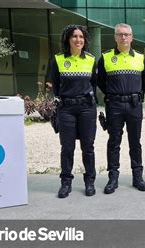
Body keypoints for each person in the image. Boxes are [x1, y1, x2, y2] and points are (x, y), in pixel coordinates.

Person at [97, 23, 145, 194]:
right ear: (115, 37)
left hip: (135, 105)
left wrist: (136, 94)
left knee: (135, 142)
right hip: (115, 105)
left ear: (132, 37)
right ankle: (113, 178)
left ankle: (138, 177)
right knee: (114, 142)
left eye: (127, 34)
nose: (124, 37)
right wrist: (114, 94)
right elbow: (100, 81)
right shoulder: (105, 58)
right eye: (120, 34)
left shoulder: (141, 58)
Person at [49, 24, 98, 198]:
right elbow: (55, 85)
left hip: (87, 108)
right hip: (66, 109)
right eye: (74, 37)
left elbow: (94, 83)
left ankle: (90, 182)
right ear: (68, 40)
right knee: (67, 147)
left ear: (85, 40)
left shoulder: (91, 59)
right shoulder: (58, 59)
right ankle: (66, 183)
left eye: (81, 37)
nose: (78, 40)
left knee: (88, 147)